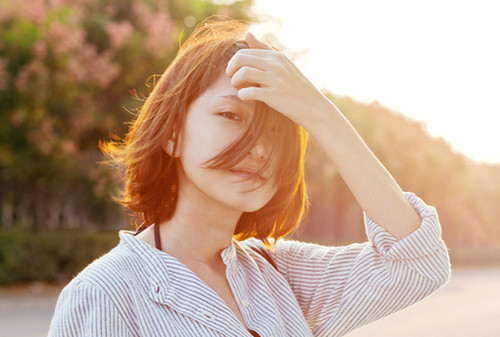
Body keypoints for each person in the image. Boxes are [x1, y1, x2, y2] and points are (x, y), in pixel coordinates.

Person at [48, 18, 450, 337]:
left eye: (276, 132)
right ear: (172, 134)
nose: (259, 148)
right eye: (230, 116)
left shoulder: (280, 273)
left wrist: (320, 114)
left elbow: (417, 263)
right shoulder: (106, 295)